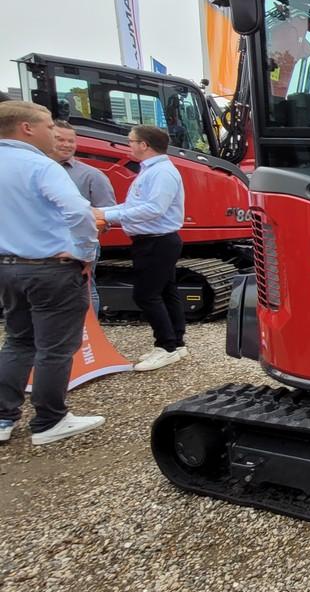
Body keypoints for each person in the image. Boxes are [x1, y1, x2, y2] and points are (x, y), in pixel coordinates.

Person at [0, 101, 105, 446]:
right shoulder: (40, 166)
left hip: (9, 267)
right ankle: (50, 420)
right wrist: (85, 251)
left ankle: (3, 417)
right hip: (51, 268)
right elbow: (78, 212)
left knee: (18, 341)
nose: (55, 134)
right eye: (48, 126)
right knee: (55, 348)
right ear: (26, 128)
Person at [94, 125, 188, 371]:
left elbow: (153, 209)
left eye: (131, 141)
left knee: (146, 295)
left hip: (156, 240)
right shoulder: (153, 171)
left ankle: (167, 346)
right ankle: (176, 343)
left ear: (144, 145)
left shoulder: (160, 173)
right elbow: (136, 205)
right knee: (166, 291)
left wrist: (106, 214)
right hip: (156, 240)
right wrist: (108, 212)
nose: (129, 145)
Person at [50, 120, 116, 314]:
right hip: (42, 244)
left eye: (71, 140)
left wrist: (89, 240)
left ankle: (90, 337)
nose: (66, 145)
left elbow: (107, 213)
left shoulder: (92, 175)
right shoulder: (34, 170)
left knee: (86, 289)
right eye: (60, 139)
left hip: (78, 244)